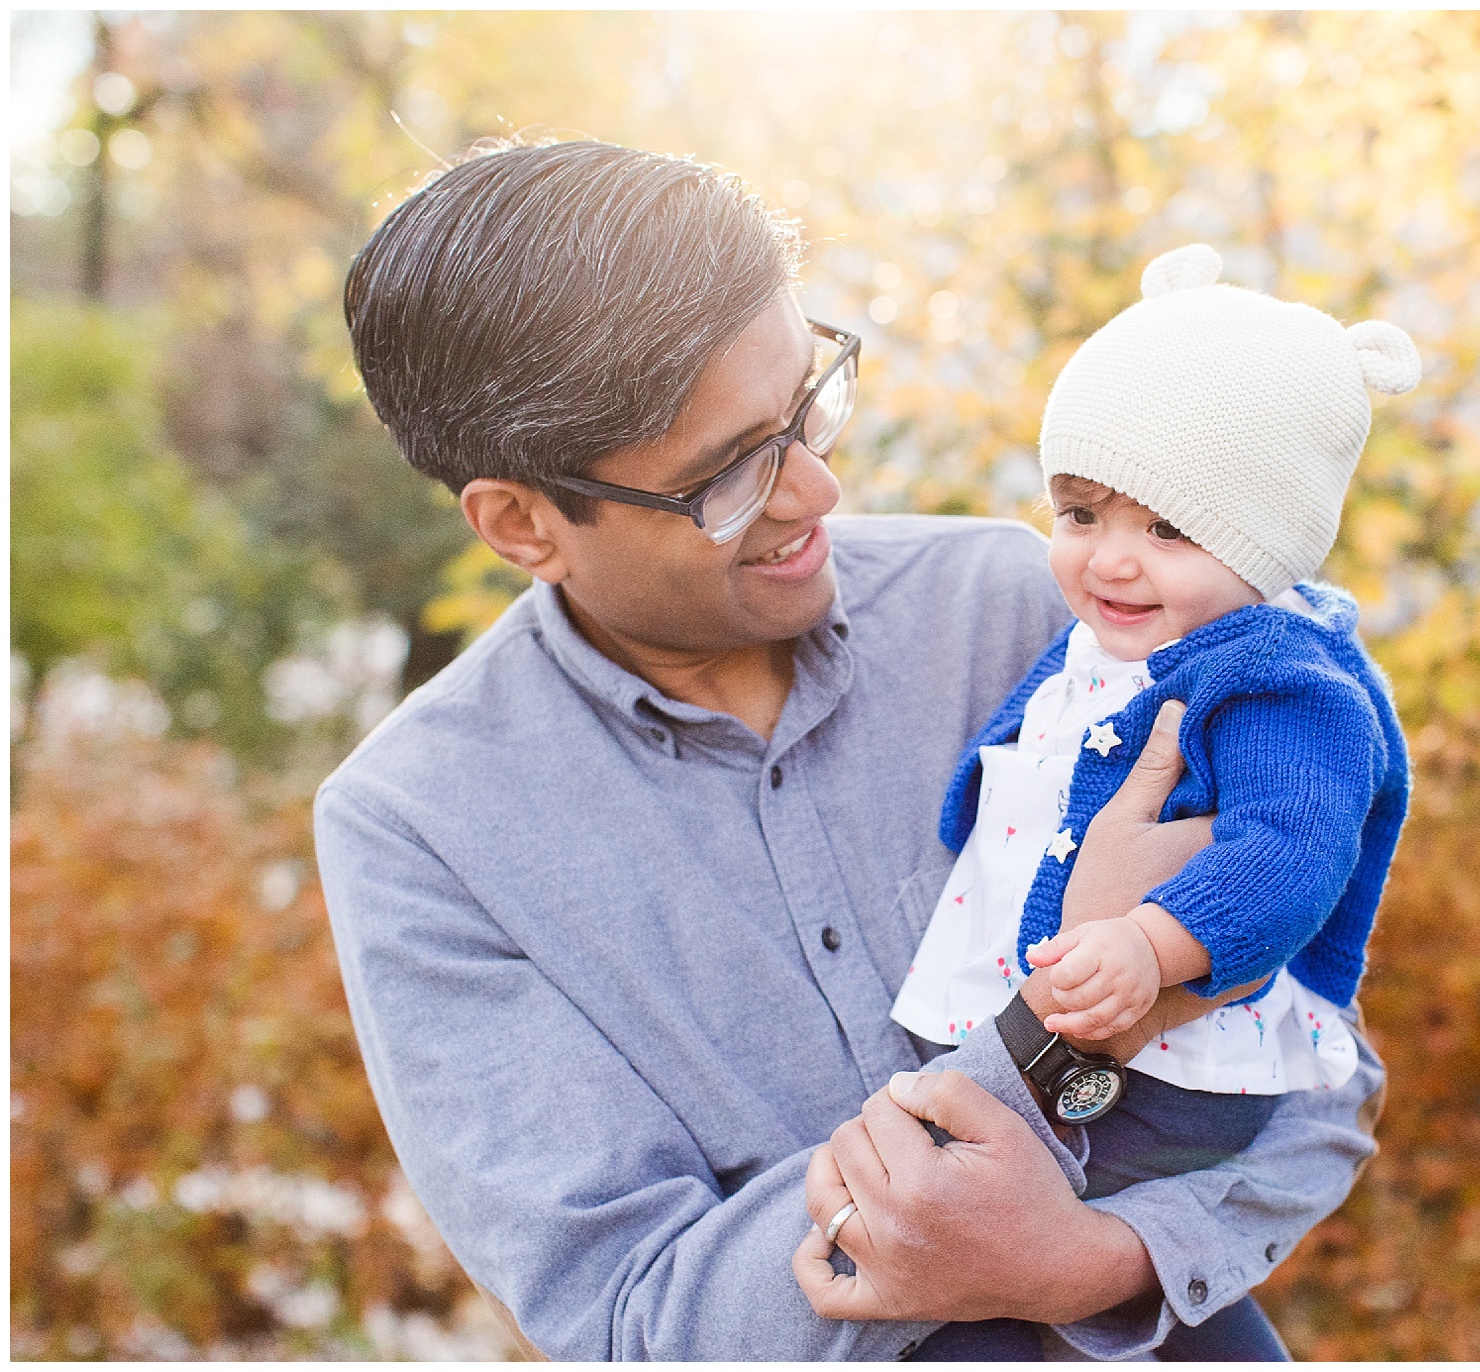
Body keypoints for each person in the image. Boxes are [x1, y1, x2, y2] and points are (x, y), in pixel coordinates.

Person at [315, 137, 1386, 1361]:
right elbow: (637, 1320)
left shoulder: (1028, 614)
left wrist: (1095, 1262)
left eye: (806, 404)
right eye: (727, 475)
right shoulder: (420, 828)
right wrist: (1049, 1035)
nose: (816, 489)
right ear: (521, 522)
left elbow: (1325, 1070)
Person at [881, 245, 1414, 1359]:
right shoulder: (1112, 639)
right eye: (1079, 514)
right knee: (992, 1259)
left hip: (1168, 1063)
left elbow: (1291, 851)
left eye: (1168, 529)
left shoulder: (1279, 679)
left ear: (1265, 540)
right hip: (1067, 1022)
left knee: (992, 1276)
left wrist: (1149, 941)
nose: (1111, 561)